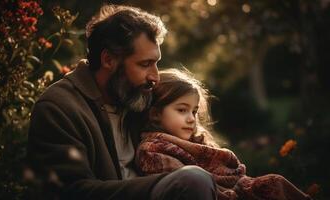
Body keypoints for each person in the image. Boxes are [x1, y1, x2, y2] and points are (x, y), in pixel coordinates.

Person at [27, 4, 218, 200]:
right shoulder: (59, 107)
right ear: (109, 60)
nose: (155, 76)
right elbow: (70, 191)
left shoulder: (138, 99)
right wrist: (165, 184)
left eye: (156, 63)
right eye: (145, 64)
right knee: (194, 179)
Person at [136, 68, 312, 200]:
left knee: (275, 182)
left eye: (195, 111)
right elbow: (190, 189)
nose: (191, 119)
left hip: (238, 191)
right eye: (182, 110)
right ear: (156, 114)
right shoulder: (154, 150)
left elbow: (234, 179)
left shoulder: (198, 144)